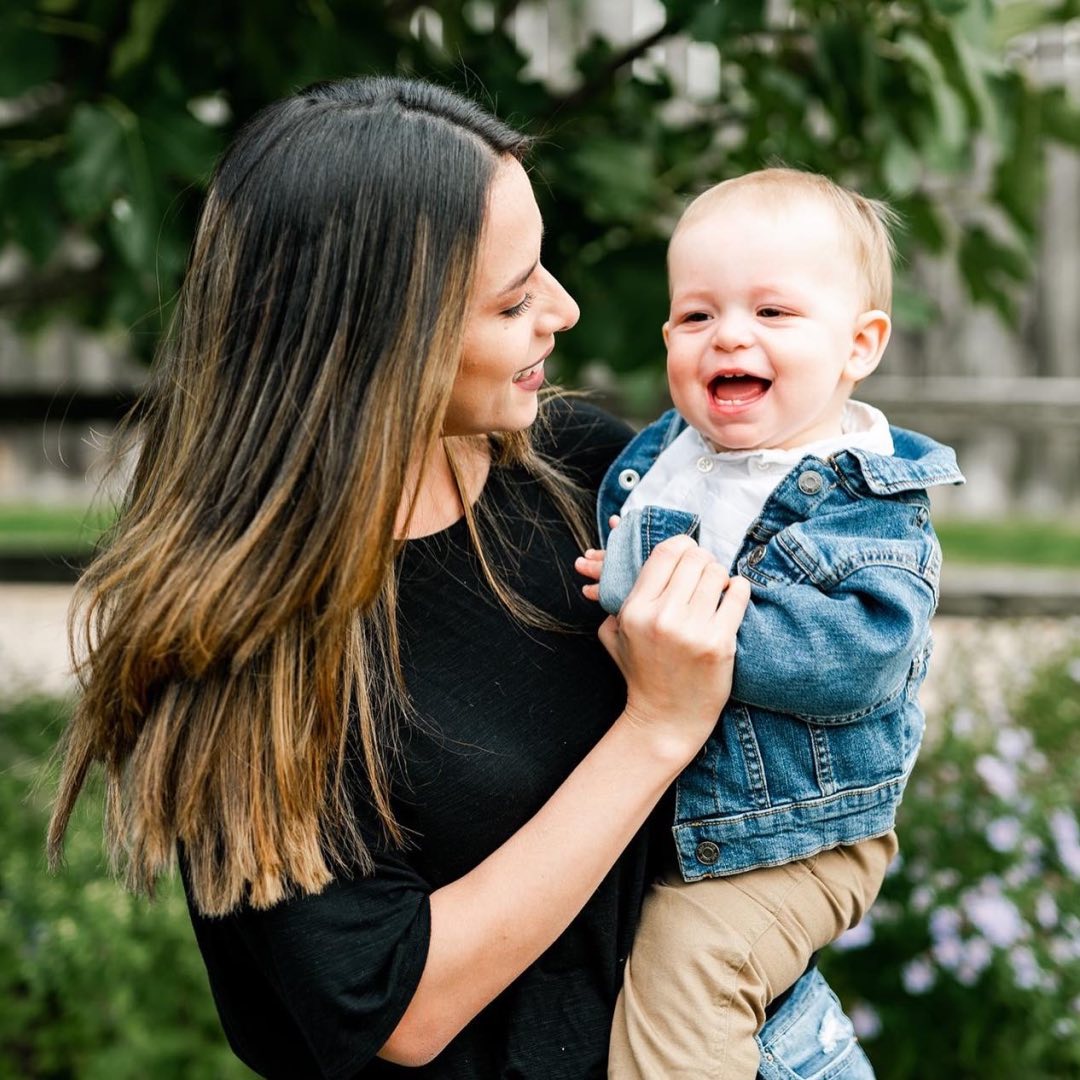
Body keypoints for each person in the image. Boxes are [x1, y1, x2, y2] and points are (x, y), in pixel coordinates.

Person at [47, 80, 875, 1079]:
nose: (563, 311)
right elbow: (397, 1008)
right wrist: (657, 728)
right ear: (377, 338)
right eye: (514, 299)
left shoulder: (596, 473)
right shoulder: (240, 644)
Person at [574, 168, 965, 1078]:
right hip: (692, 816)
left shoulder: (864, 503)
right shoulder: (667, 456)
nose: (728, 335)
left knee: (689, 972)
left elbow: (855, 656)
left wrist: (663, 610)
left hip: (798, 839)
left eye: (773, 313)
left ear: (859, 345)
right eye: (696, 315)